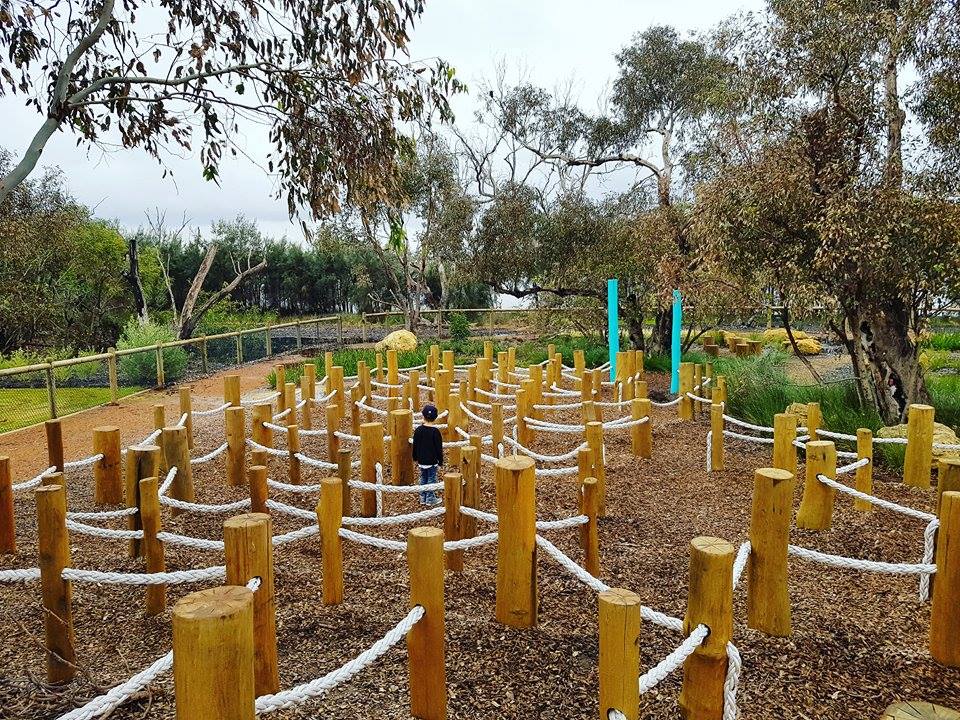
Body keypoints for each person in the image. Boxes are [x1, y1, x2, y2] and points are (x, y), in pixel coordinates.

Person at [411, 403, 444, 506]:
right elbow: (439, 448)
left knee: (423, 477)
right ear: (435, 418)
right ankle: (430, 498)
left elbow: (415, 445)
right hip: (432, 461)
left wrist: (415, 457)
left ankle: (422, 497)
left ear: (423, 416)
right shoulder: (435, 432)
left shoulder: (418, 430)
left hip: (421, 460)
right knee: (431, 478)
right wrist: (440, 460)